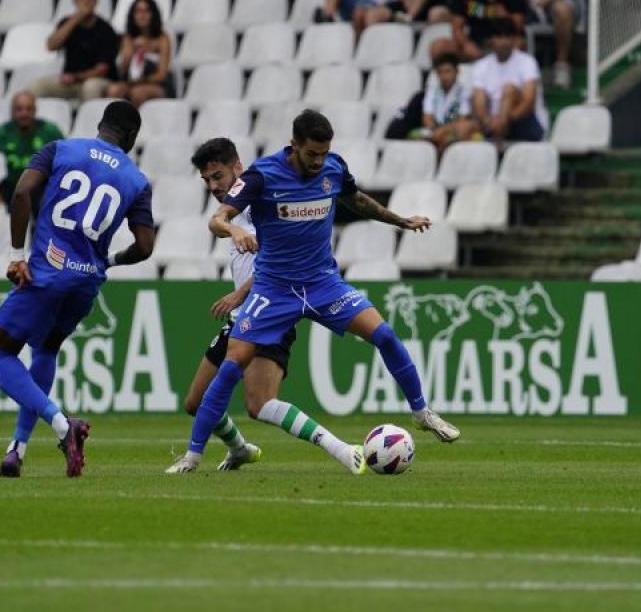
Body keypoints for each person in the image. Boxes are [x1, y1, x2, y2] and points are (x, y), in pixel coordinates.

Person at [166, 109, 461, 474]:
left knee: (384, 334)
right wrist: (234, 230)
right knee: (232, 363)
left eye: (323, 153)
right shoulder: (262, 175)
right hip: (274, 289)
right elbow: (217, 217)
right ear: (294, 146)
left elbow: (358, 200)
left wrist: (400, 220)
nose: (318, 161)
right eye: (311, 155)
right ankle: (193, 456)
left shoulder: (333, 168)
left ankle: (421, 412)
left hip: (323, 283)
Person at [0, 100, 156, 478]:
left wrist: (18, 256)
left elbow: (21, 194)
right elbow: (145, 247)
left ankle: (64, 426)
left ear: (100, 125)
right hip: (85, 284)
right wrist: (108, 262)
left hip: (48, 272)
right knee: (45, 349)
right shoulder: (136, 180)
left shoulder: (61, 149)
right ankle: (17, 449)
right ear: (131, 136)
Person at [176, 136, 297, 471]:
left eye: (218, 176)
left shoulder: (261, 207)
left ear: (238, 168)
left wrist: (239, 293)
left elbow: (280, 264)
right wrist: (229, 229)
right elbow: (215, 224)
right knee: (195, 402)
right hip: (241, 321)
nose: (214, 186)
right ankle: (239, 449)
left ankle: (341, 449)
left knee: (260, 404)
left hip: (269, 316)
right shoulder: (230, 214)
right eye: (207, 180)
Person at [0, 91, 65, 225]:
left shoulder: (49, 131)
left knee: (45, 206)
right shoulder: (3, 132)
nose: (24, 113)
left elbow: (68, 159)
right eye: (19, 109)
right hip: (13, 184)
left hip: (42, 185)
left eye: (28, 109)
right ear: (12, 112)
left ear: (35, 111)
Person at [29, 0, 118, 101]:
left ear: (96, 1)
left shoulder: (106, 29)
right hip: (71, 82)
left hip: (98, 81)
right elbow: (51, 46)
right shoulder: (67, 23)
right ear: (74, 1)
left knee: (90, 87)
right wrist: (76, 19)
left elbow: (102, 70)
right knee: (36, 86)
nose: (86, 2)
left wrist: (76, 77)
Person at [469, 18, 546, 142]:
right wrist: (489, 121)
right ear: (491, 40)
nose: (504, 42)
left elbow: (529, 102)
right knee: (464, 126)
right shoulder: (481, 66)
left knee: (509, 90)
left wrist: (504, 121)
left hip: (524, 122)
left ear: (514, 39)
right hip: (492, 124)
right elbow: (479, 102)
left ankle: (497, 134)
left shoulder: (527, 62)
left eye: (508, 37)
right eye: (499, 37)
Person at [107, 0, 173, 106]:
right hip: (131, 81)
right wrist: (128, 54)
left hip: (157, 84)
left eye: (146, 11)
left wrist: (142, 80)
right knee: (114, 90)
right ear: (132, 16)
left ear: (153, 14)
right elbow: (123, 72)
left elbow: (162, 74)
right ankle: (117, 122)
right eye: (138, 11)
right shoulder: (127, 38)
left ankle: (138, 123)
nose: (142, 15)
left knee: (137, 93)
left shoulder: (162, 38)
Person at [420, 52, 476, 150]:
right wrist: (435, 130)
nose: (444, 76)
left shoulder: (465, 93)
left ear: (457, 71)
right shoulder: (432, 92)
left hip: (453, 131)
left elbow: (462, 119)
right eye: (440, 72)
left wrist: (442, 131)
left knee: (450, 138)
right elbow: (427, 118)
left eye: (447, 71)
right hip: (435, 131)